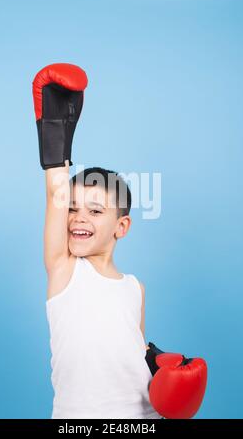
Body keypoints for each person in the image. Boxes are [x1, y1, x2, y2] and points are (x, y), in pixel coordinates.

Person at [32, 63, 161, 419]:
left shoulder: (136, 288)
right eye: (72, 209)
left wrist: (160, 369)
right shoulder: (65, 270)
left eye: (95, 211)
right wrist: (56, 131)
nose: (78, 218)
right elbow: (56, 192)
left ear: (121, 227)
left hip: (143, 418)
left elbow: (136, 353)